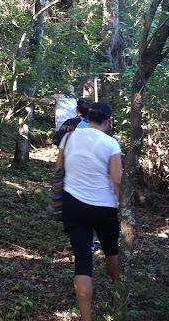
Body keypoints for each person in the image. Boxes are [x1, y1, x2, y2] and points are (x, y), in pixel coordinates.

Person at [55, 101, 122, 321]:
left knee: (82, 260)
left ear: (88, 117)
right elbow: (117, 180)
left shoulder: (68, 138)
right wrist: (123, 208)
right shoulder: (110, 143)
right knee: (111, 251)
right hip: (105, 206)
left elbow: (58, 168)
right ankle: (119, 296)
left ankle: (86, 318)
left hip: (74, 204)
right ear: (107, 121)